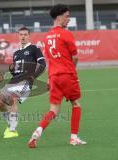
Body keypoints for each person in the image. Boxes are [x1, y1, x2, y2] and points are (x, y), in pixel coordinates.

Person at [28, 4, 86, 148]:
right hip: (67, 75)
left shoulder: (47, 37)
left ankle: (37, 132)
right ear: (59, 17)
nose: (69, 19)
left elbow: (50, 60)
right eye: (67, 16)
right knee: (76, 104)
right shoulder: (66, 34)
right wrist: (71, 70)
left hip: (54, 77)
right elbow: (75, 58)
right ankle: (74, 138)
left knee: (53, 110)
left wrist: (49, 77)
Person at [0, 27, 46, 139]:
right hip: (14, 81)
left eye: (25, 34)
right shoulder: (16, 53)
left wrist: (33, 76)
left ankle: (13, 130)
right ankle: (11, 123)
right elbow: (15, 71)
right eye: (21, 34)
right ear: (18, 36)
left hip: (26, 81)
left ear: (29, 36)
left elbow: (42, 64)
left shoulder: (34, 48)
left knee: (13, 98)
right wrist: (9, 70)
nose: (23, 36)